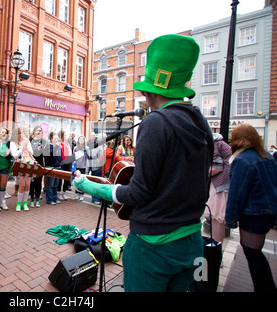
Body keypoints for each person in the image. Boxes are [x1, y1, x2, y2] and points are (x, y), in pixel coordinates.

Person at [73, 35, 214, 292]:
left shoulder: (155, 122)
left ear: (149, 90)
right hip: (192, 242)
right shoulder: (199, 120)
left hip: (153, 246)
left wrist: (92, 187)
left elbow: (139, 193)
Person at [225, 124, 277, 292]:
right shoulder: (267, 156)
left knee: (252, 253)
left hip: (253, 212)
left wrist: (230, 219)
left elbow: (237, 193)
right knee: (254, 252)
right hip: (268, 210)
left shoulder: (242, 160)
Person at [205, 133, 231, 244]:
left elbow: (217, 167)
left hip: (220, 185)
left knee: (217, 217)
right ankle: (216, 246)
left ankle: (216, 246)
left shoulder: (215, 144)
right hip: (224, 184)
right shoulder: (220, 143)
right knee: (217, 218)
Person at [10, 127, 34, 211]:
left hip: (28, 164)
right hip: (19, 165)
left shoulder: (26, 141)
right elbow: (15, 155)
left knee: (27, 185)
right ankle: (18, 204)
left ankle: (25, 203)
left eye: (21, 133)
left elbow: (32, 152)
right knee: (22, 185)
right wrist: (22, 147)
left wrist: (26, 146)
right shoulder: (13, 143)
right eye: (19, 133)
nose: (20, 135)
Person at [29, 125, 48, 207]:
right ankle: (31, 198)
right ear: (34, 132)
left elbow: (46, 154)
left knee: (38, 182)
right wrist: (36, 150)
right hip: (31, 164)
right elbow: (28, 152)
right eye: (37, 130)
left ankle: (37, 198)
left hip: (40, 164)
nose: (38, 132)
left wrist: (42, 150)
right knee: (32, 182)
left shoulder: (44, 141)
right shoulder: (30, 141)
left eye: (40, 130)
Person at [45, 133, 62, 205]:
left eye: (57, 139)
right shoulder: (49, 146)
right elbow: (50, 155)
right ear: (51, 139)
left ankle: (55, 198)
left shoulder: (58, 147)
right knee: (50, 184)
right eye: (54, 139)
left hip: (58, 167)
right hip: (51, 167)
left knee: (56, 184)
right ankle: (49, 199)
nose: (56, 140)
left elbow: (60, 157)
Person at [73, 135, 89, 201]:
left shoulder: (87, 148)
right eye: (80, 139)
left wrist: (87, 169)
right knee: (77, 180)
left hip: (84, 166)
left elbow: (88, 159)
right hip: (77, 166)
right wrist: (74, 167)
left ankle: (81, 194)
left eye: (83, 139)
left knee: (82, 181)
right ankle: (77, 194)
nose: (81, 140)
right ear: (78, 140)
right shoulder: (75, 148)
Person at [57, 130, 71, 200]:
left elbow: (69, 152)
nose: (65, 136)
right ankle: (59, 192)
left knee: (66, 177)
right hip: (60, 162)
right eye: (64, 135)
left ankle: (64, 192)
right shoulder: (58, 143)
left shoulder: (66, 143)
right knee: (59, 178)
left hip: (67, 162)